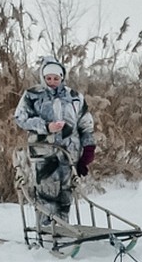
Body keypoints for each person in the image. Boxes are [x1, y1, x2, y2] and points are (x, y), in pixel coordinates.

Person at [13, 57, 96, 229]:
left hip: (70, 154)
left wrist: (88, 149)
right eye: (48, 78)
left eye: (56, 78)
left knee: (66, 194)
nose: (52, 82)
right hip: (44, 153)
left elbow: (86, 124)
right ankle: (45, 231)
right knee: (46, 194)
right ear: (43, 77)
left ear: (62, 78)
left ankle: (64, 230)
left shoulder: (75, 97)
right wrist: (45, 126)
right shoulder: (32, 95)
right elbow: (20, 118)